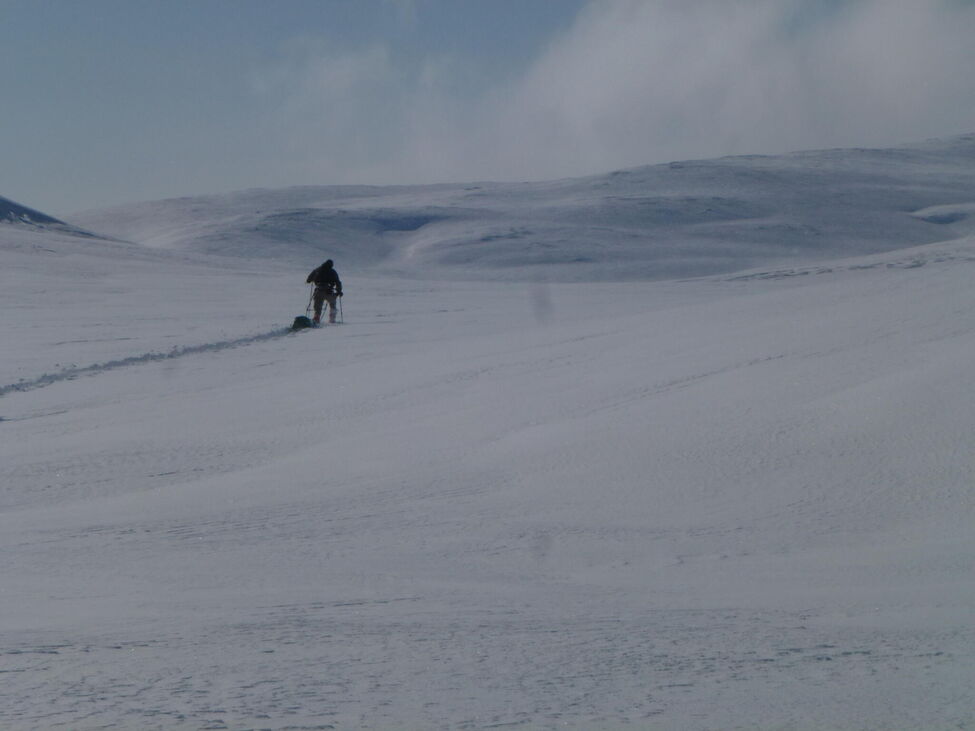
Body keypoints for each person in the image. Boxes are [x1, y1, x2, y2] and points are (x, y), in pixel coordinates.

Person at [306, 259, 343, 324]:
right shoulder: (332, 271)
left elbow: (309, 280)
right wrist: (339, 291)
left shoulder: (317, 270)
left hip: (318, 291)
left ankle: (316, 319)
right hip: (329, 291)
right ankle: (332, 319)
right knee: (333, 304)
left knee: (318, 306)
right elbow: (338, 282)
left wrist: (311, 280)